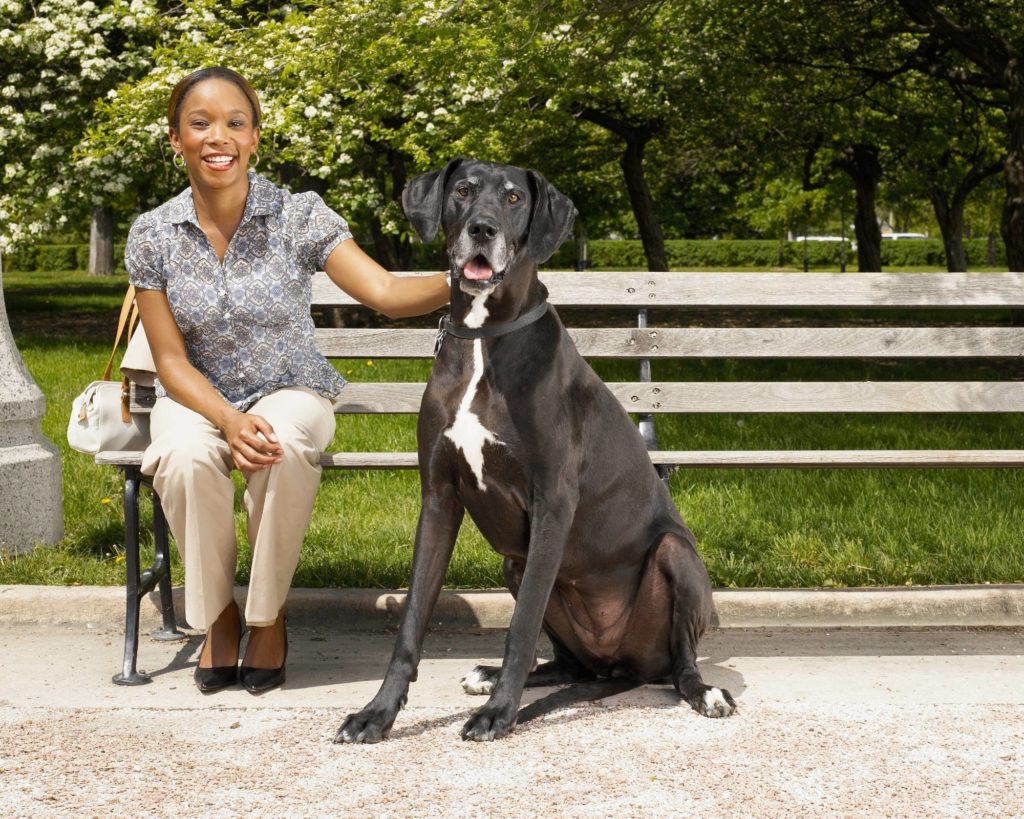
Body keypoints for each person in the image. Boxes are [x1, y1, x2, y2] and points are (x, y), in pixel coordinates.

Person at [126, 66, 449, 694]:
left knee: (284, 441)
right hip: (195, 395)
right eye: (200, 123)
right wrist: (224, 419)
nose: (217, 137)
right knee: (184, 455)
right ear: (176, 139)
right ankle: (218, 618)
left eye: (234, 123)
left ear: (255, 137)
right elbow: (168, 360)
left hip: (290, 385)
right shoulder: (152, 234)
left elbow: (383, 290)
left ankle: (267, 616)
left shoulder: (297, 216)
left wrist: (471, 275)